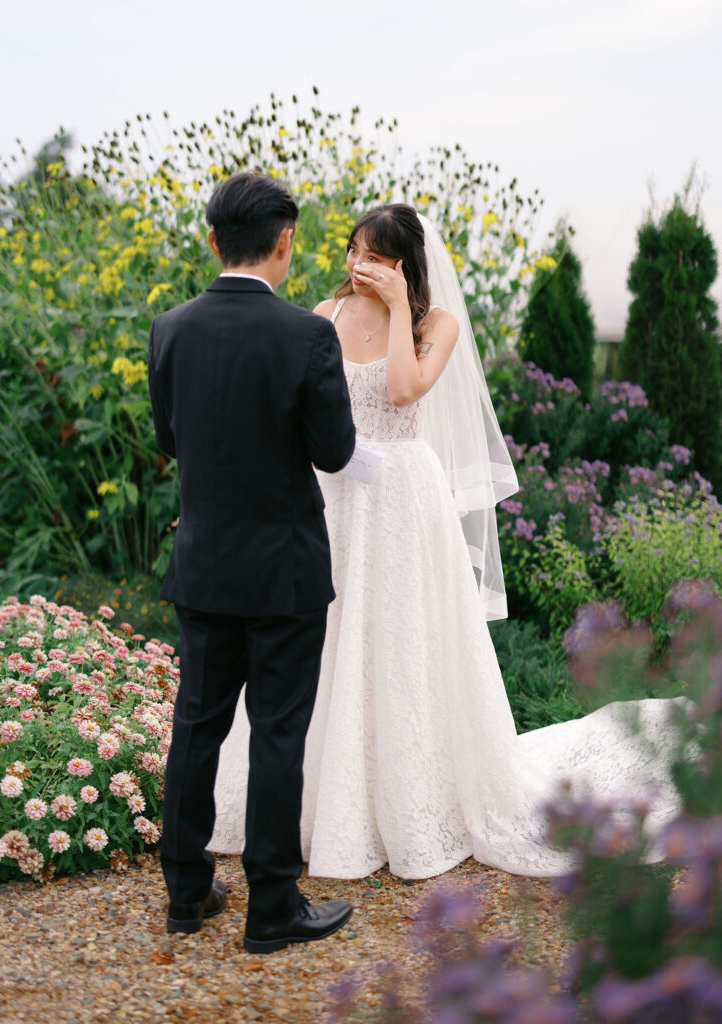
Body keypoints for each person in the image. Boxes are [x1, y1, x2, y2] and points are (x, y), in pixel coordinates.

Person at [208, 203, 682, 880]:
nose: (358, 266)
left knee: (400, 641)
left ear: (406, 265)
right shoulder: (326, 314)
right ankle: (311, 803)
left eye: (376, 256)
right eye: (354, 252)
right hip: (334, 496)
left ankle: (406, 803)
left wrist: (401, 309)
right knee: (323, 635)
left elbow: (402, 391)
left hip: (401, 499)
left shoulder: (438, 324)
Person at [148, 171, 356, 952]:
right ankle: (271, 906)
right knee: (276, 733)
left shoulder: (170, 328)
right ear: (284, 243)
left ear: (213, 241)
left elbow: (170, 439)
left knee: (197, 725)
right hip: (284, 571)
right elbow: (334, 453)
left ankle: (184, 892)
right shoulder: (307, 335)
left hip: (203, 563)